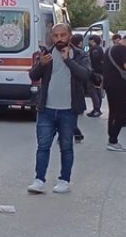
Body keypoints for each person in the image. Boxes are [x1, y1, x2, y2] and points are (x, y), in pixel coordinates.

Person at [27, 24, 91, 194]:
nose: (59, 38)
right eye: (55, 35)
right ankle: (39, 180)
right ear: (52, 37)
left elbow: (85, 75)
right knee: (43, 146)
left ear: (70, 36)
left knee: (66, 146)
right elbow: (33, 76)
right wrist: (41, 64)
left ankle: (64, 180)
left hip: (68, 110)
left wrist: (68, 60)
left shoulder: (79, 54)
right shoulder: (46, 53)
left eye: (63, 35)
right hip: (46, 109)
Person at [102, 34, 126, 152]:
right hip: (119, 85)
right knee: (122, 112)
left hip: (109, 84)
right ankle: (113, 140)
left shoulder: (111, 48)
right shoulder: (122, 50)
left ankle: (111, 137)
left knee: (113, 111)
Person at [86, 34, 106, 117]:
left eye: (90, 40)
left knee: (93, 91)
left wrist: (91, 71)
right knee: (97, 91)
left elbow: (93, 61)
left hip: (95, 73)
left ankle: (96, 109)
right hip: (100, 73)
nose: (88, 42)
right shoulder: (99, 49)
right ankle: (97, 109)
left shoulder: (94, 50)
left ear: (93, 41)